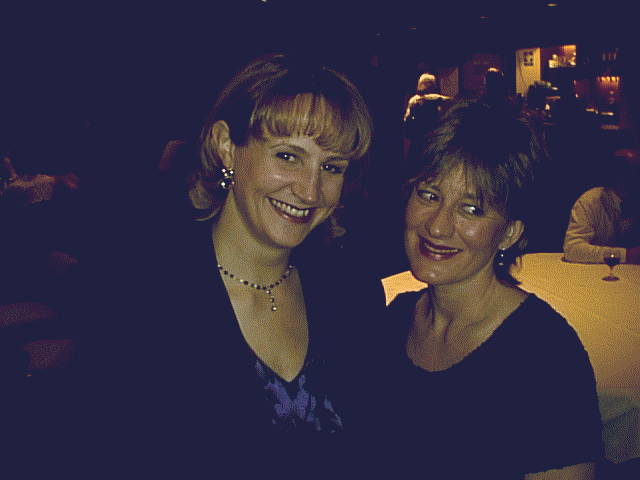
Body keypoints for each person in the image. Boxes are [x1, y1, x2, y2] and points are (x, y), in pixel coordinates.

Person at [89, 53, 383, 476]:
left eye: (331, 167)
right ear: (226, 146)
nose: (310, 190)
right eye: (288, 156)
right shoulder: (141, 295)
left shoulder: (352, 290)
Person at [373, 101, 603, 479]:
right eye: (429, 195)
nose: (438, 226)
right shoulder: (394, 320)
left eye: (472, 209)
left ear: (510, 233)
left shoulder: (545, 354)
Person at [563, 149, 640, 264]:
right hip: (594, 273)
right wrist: (627, 255)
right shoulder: (590, 201)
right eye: (634, 172)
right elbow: (572, 249)